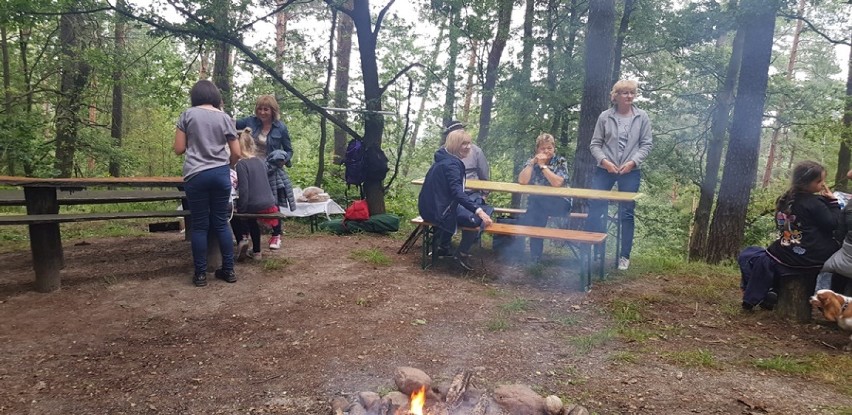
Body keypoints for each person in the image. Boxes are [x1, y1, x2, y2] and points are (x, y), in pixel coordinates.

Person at [739, 161, 841, 310]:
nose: (822, 185)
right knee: (839, 247)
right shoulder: (816, 203)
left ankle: (769, 291)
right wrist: (833, 202)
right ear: (806, 183)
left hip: (786, 250)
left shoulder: (785, 199)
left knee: (751, 254)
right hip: (812, 256)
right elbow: (832, 224)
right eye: (819, 181)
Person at [174, 80, 240, 287]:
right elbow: (237, 152)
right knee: (221, 222)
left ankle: (200, 274)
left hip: (196, 175)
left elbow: (178, 148)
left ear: (195, 96)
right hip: (220, 174)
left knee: (200, 225)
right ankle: (228, 270)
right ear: (215, 96)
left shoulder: (187, 115)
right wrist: (226, 166)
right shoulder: (225, 118)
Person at [587, 79, 653, 270]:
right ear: (615, 96)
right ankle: (594, 250)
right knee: (596, 208)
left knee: (626, 213)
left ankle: (624, 256)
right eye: (625, 93)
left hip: (630, 171)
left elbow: (646, 144)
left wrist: (632, 163)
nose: (629, 96)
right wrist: (605, 162)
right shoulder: (605, 117)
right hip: (605, 170)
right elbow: (595, 144)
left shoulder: (642, 117)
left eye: (632, 93)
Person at [418, 128, 493, 271]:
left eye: (469, 143)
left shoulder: (443, 159)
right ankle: (461, 255)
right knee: (480, 217)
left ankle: (443, 247)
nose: (468, 147)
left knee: (478, 209)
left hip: (430, 209)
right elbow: (457, 193)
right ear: (454, 144)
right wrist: (479, 212)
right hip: (439, 212)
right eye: (463, 143)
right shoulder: (452, 165)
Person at [236, 95, 293, 250]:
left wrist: (284, 159)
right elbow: (228, 124)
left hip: (271, 169)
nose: (262, 112)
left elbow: (289, 150)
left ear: (272, 110)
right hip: (251, 167)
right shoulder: (249, 122)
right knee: (247, 198)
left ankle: (276, 235)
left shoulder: (280, 127)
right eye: (260, 109)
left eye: (266, 109)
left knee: (273, 201)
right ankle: (246, 234)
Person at [517, 133, 572, 261]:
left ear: (554, 149)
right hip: (539, 205)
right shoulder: (531, 162)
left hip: (560, 203)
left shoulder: (560, 161)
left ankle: (534, 256)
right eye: (543, 148)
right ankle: (535, 257)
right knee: (537, 212)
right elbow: (522, 181)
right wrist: (532, 164)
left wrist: (543, 166)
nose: (546, 151)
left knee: (535, 208)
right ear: (537, 150)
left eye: (549, 148)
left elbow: (557, 183)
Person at [231, 128, 279, 262]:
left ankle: (242, 240)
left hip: (255, 203)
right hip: (269, 202)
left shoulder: (241, 164)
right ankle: (257, 251)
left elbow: (244, 190)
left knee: (234, 215)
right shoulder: (260, 161)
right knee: (251, 220)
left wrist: (240, 208)